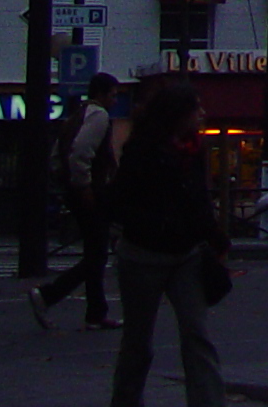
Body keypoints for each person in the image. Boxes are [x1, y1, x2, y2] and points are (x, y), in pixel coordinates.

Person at [105, 82, 228, 407]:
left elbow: (199, 199)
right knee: (139, 341)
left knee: (196, 333)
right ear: (179, 114)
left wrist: (212, 232)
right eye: (196, 108)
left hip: (183, 252)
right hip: (145, 253)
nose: (202, 114)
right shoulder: (143, 151)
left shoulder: (193, 150)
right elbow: (120, 200)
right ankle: (127, 401)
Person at [33, 71, 121, 329]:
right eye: (113, 95)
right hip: (89, 191)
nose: (115, 100)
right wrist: (84, 186)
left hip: (76, 189)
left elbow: (57, 155)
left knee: (95, 252)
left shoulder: (76, 116)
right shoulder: (99, 116)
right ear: (102, 94)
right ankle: (49, 295)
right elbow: (81, 152)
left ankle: (96, 312)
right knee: (96, 254)